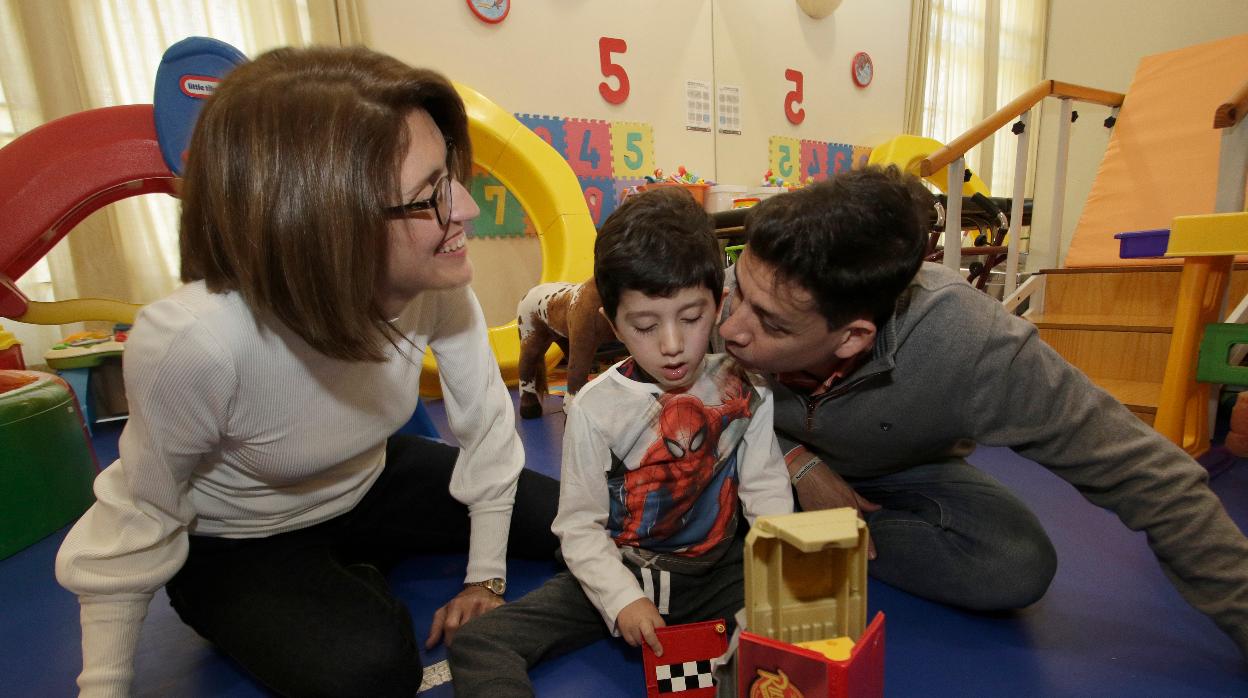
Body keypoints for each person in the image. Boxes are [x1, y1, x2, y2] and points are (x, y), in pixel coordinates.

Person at [54, 46, 560, 697]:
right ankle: (318, 587)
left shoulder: (434, 282)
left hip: (366, 480)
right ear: (324, 223)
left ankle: (350, 566)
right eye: (429, 195)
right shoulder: (196, 342)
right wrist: (103, 686)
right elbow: (137, 514)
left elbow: (489, 432)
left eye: (452, 177)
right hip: (241, 538)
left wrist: (483, 578)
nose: (465, 210)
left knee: (568, 516)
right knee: (369, 672)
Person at [716, 165, 1248, 661]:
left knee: (1015, 565)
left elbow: (1149, 476)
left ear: (853, 336)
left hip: (893, 475)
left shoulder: (971, 342)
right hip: (739, 457)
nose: (730, 329)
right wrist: (798, 464)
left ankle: (818, 535)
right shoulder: (728, 301)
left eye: (772, 324)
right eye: (738, 287)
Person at [447, 187, 794, 696]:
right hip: (622, 571)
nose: (673, 345)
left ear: (718, 303)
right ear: (613, 324)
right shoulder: (593, 408)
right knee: (480, 643)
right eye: (646, 325)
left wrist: (770, 597)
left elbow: (766, 495)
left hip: (719, 575)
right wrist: (621, 599)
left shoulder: (747, 387)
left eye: (692, 318)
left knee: (788, 630)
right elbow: (579, 526)